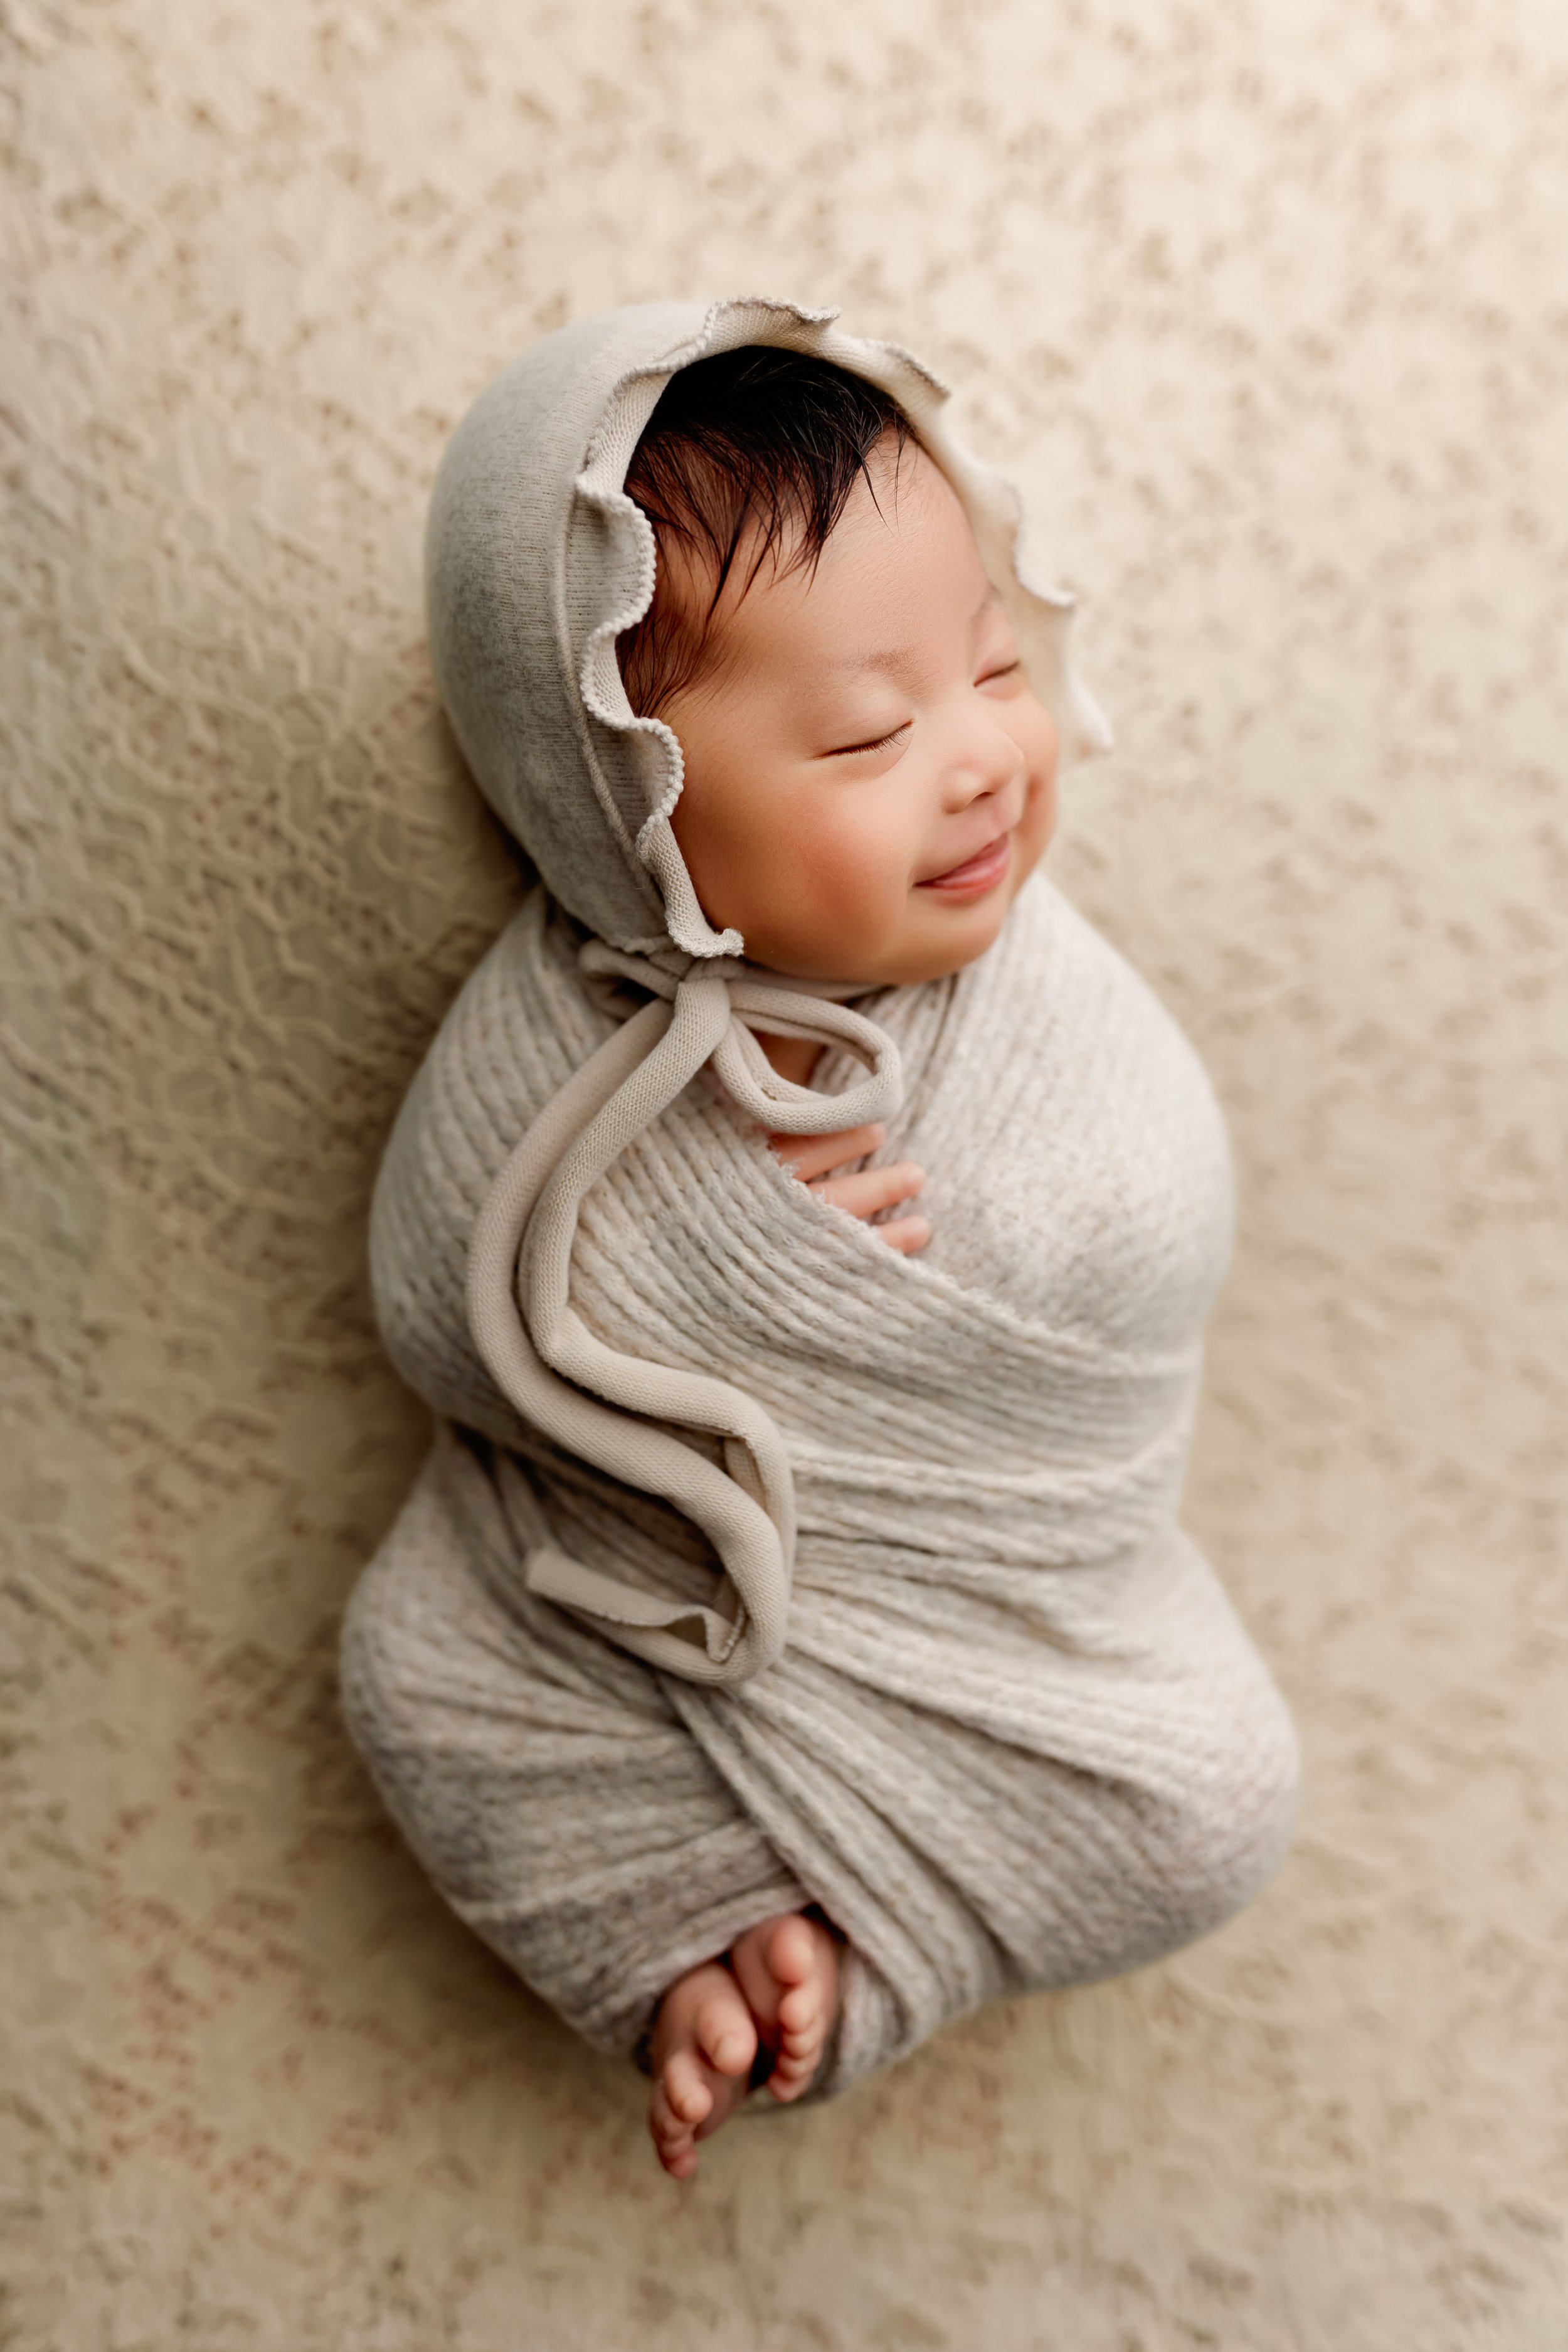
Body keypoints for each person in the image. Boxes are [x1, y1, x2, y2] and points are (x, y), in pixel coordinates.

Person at [342, 300, 1300, 2184]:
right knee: (414, 1675)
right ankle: (701, 1951)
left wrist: (863, 1303)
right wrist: (712, 1272)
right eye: (867, 732)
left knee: (1216, 1806)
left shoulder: (1043, 1007)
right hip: (636, 1608)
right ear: (616, 798)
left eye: (992, 666)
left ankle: (866, 1950)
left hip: (996, 1616)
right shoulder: (566, 1039)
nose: (977, 761)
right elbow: (442, 1307)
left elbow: (1147, 1231)